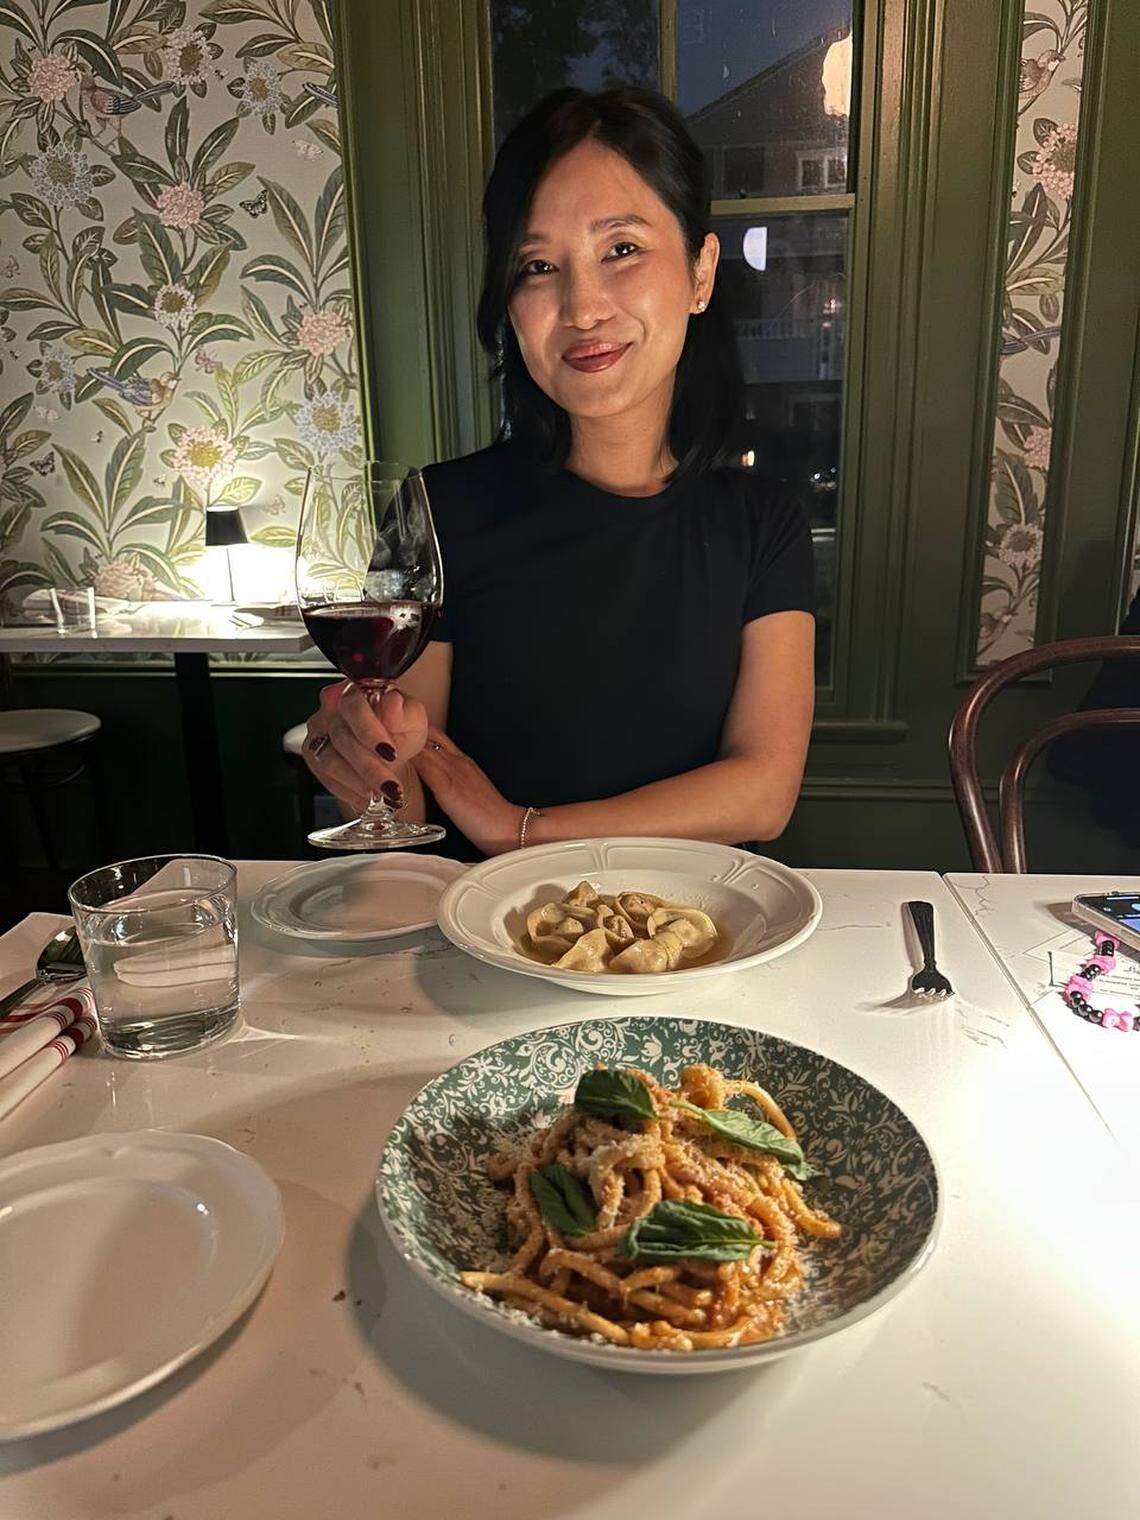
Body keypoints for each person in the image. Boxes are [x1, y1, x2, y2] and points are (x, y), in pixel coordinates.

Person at [301, 86, 816, 861]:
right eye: (538, 265)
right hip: (487, 941)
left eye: (621, 249)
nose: (582, 306)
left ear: (701, 272)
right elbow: (405, 805)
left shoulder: (763, 519)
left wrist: (520, 827)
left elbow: (763, 791)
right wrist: (368, 762)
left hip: (698, 940)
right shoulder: (439, 511)